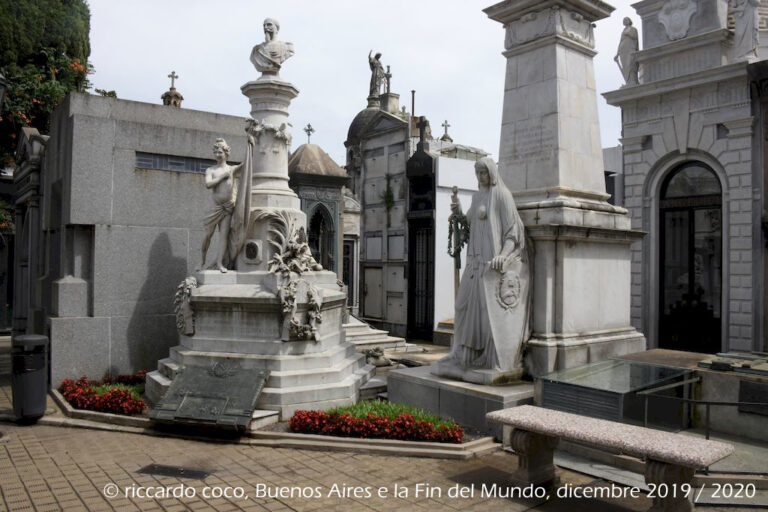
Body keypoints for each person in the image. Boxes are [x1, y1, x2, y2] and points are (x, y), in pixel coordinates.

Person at [433, 157, 529, 378]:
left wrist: (503, 257)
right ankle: (463, 355)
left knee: (487, 314)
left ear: (492, 173)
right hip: (474, 263)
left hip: (490, 264)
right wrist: (457, 212)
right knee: (462, 306)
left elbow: (512, 233)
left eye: (483, 173)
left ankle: (488, 358)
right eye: (477, 173)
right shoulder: (477, 197)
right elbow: (467, 225)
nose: (480, 177)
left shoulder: (502, 196)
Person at [200, 138, 246, 272]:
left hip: (227, 207)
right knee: (207, 235)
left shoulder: (232, 169)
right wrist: (222, 177)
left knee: (223, 236)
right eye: (215, 152)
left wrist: (251, 145)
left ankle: (220, 263)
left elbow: (246, 164)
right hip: (214, 207)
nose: (217, 155)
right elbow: (208, 184)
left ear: (226, 153)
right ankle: (202, 259)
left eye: (220, 152)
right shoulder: (211, 170)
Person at [614, 17, 639, 86]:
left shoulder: (633, 29)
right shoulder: (623, 31)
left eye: (626, 20)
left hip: (630, 48)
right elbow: (620, 42)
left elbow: (635, 37)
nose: (625, 21)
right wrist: (617, 54)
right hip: (623, 50)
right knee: (625, 66)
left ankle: (633, 80)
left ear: (629, 21)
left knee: (631, 63)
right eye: (623, 20)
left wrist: (628, 34)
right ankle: (628, 81)